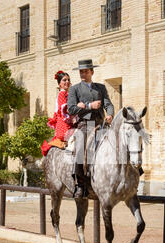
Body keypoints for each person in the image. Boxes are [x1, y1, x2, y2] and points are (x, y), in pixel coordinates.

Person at [67, 59, 114, 198]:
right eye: (81, 71)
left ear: (92, 72)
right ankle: (80, 184)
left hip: (100, 124)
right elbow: (71, 109)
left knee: (119, 142)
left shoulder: (101, 87)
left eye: (86, 71)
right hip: (85, 125)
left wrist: (110, 114)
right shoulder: (74, 89)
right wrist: (89, 106)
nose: (83, 73)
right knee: (80, 148)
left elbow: (108, 104)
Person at [41, 70, 84, 156]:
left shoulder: (68, 95)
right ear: (59, 84)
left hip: (70, 125)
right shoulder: (62, 94)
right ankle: (71, 160)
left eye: (68, 80)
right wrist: (79, 106)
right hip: (64, 128)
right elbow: (67, 110)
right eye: (64, 80)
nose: (67, 82)